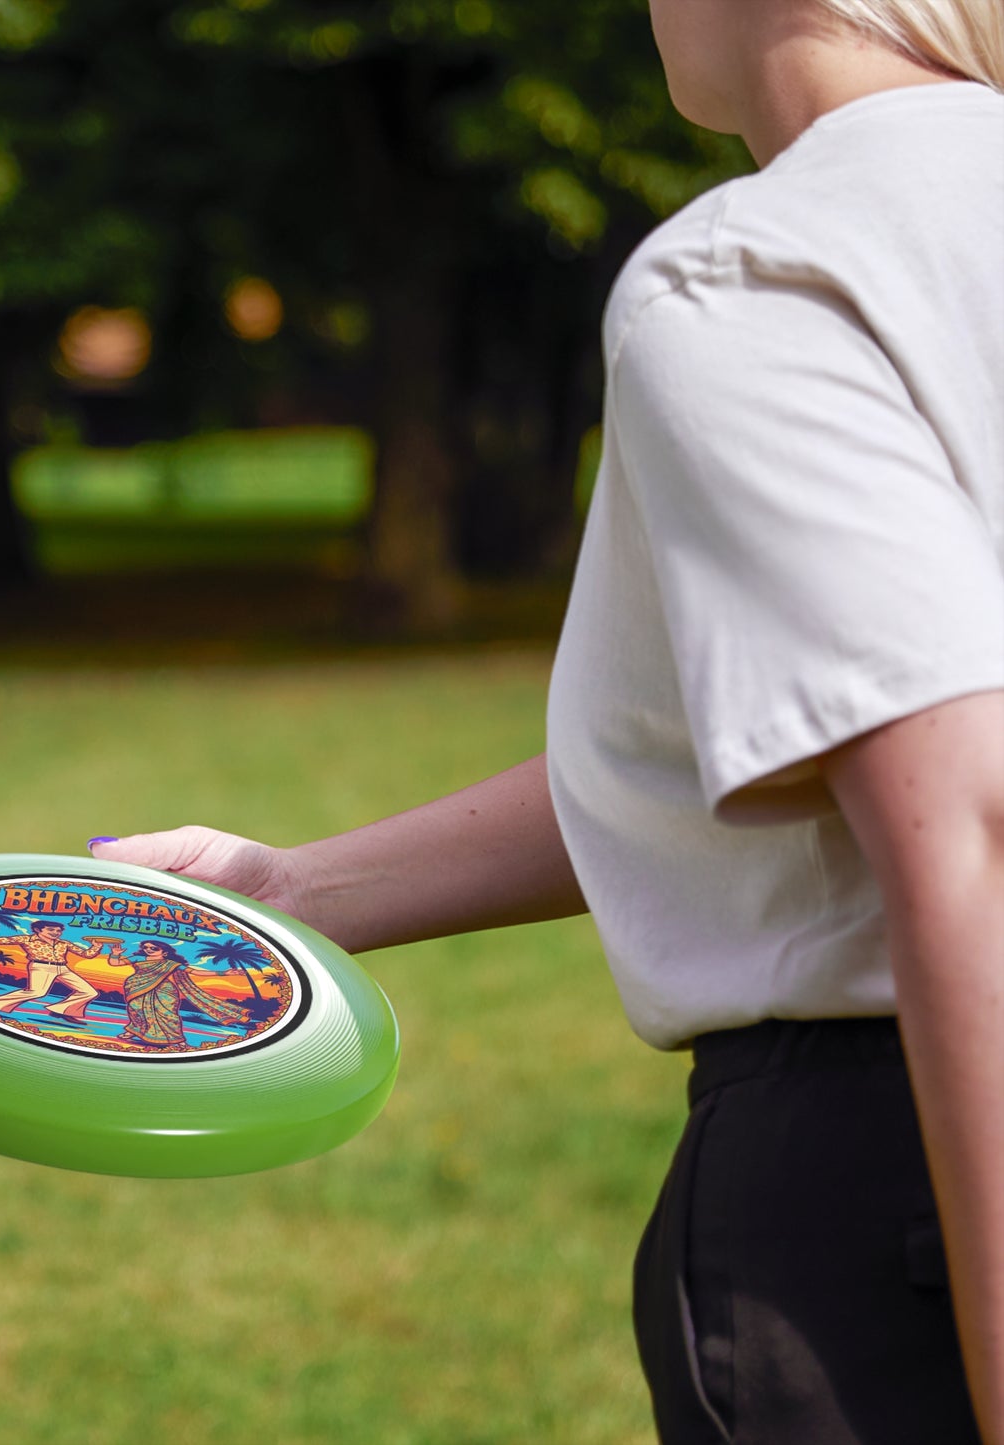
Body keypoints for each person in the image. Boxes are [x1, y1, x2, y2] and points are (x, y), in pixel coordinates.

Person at [88, 2, 1004, 1440]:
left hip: (901, 1191)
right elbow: (781, 741)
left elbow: (967, 822)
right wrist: (295, 889)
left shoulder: (763, 269)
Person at [114, 939, 252, 1049]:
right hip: (136, 988)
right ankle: (133, 1032)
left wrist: (223, 973)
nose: (148, 950)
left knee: (168, 1015)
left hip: (164, 991)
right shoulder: (138, 959)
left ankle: (178, 1041)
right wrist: (115, 953)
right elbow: (115, 963)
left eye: (153, 948)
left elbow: (196, 972)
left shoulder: (171, 964)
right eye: (146, 947)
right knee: (136, 1011)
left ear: (164, 952)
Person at [0, 920, 115, 1020]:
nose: (56, 933)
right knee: (37, 992)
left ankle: (61, 1011)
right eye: (51, 930)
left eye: (58, 930)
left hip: (62, 968)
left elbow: (86, 955)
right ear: (37, 929)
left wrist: (96, 946)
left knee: (90, 992)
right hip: (40, 966)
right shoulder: (26, 939)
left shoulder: (64, 943)